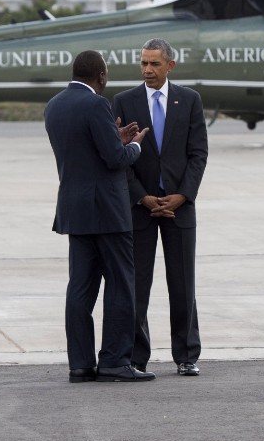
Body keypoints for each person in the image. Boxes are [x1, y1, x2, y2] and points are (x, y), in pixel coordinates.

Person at [43, 50, 156, 383]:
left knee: (80, 288)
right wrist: (133, 145)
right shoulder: (96, 105)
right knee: (121, 283)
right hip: (107, 210)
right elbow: (114, 159)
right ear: (101, 77)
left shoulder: (54, 105)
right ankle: (114, 361)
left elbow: (86, 150)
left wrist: (114, 138)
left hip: (75, 210)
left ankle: (80, 364)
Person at [111, 38, 208, 377]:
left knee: (183, 283)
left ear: (170, 65)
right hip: (140, 207)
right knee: (137, 284)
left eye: (154, 64)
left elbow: (198, 154)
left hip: (180, 206)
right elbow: (119, 158)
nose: (147, 70)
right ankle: (137, 357)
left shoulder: (190, 100)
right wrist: (142, 196)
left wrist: (182, 195)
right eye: (143, 63)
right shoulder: (124, 101)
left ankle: (186, 355)